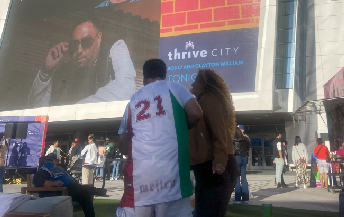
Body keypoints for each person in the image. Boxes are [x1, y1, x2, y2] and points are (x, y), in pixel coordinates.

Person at [117, 58, 202, 217]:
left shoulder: (133, 100)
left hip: (140, 177)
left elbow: (123, 140)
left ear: (144, 77)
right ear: (165, 74)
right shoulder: (174, 87)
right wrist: (183, 126)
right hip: (171, 174)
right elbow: (196, 112)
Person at [28, 14, 136, 107]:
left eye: (86, 41)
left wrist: (70, 112)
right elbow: (36, 108)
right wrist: (46, 71)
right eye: (75, 44)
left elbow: (125, 88)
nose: (79, 50)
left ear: (98, 38)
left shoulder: (115, 47)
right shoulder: (63, 72)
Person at [189, 69, 240, 217]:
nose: (192, 84)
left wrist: (219, 161)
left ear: (206, 84)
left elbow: (219, 132)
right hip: (210, 168)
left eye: (196, 81)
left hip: (215, 168)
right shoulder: (203, 101)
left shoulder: (208, 99)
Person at [33, 153, 106, 217]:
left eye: (52, 160)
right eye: (47, 160)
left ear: (56, 161)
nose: (49, 162)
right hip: (59, 192)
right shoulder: (43, 170)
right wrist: (55, 183)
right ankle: (94, 190)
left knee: (85, 196)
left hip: (72, 191)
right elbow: (37, 181)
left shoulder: (60, 169)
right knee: (73, 186)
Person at [232, 125, 250, 204]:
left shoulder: (234, 138)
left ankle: (237, 198)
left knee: (236, 178)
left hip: (237, 157)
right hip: (244, 157)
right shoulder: (246, 138)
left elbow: (232, 148)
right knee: (243, 178)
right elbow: (248, 147)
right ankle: (245, 198)